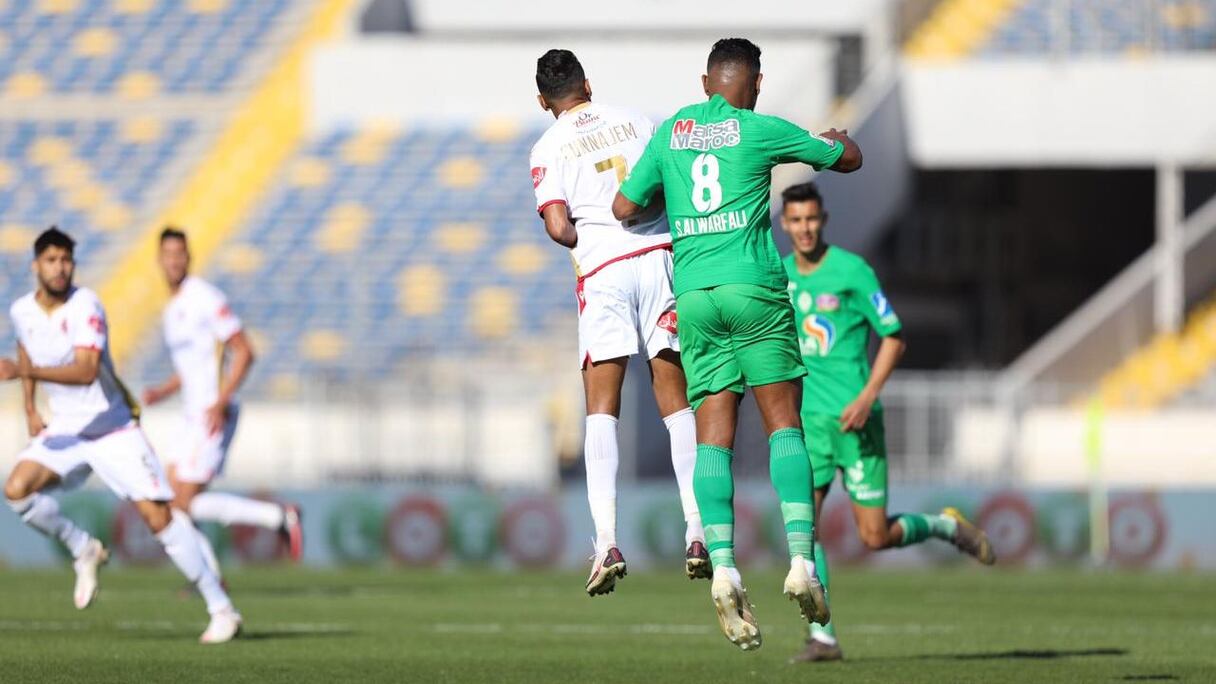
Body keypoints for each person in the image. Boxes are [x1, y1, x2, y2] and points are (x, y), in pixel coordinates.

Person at [612, 37, 862, 651]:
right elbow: (847, 159)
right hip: (754, 288)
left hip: (695, 297)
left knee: (713, 439)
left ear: (705, 83)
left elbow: (623, 205)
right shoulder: (760, 129)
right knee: (783, 426)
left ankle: (723, 566)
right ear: (756, 84)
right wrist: (837, 138)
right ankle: (800, 562)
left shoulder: (671, 132)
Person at [778, 181, 996, 662]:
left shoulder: (852, 271)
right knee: (803, 533)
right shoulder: (779, 275)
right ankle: (823, 637)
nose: (805, 228)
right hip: (807, 425)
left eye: (811, 218)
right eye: (795, 220)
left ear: (823, 220)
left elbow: (894, 337)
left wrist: (867, 395)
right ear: (785, 224)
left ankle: (944, 526)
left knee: (874, 537)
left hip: (857, 423)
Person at [1, 227, 242, 643]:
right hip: (67, 428)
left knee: (159, 517)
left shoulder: (86, 305)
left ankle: (222, 609)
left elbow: (85, 371)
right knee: (17, 490)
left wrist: (24, 371)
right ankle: (83, 548)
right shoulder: (22, 310)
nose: (60, 268)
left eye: (66, 260)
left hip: (111, 427)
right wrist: (29, 408)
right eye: (52, 260)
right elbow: (27, 346)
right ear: (36, 265)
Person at [530, 49, 707, 595]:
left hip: (605, 271)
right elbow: (668, 183)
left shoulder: (548, 145)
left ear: (542, 101)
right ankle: (697, 529)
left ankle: (606, 540)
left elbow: (558, 226)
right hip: (659, 258)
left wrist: (587, 238)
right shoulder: (635, 119)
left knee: (602, 409)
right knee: (675, 398)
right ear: (587, 84)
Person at [142, 227, 303, 577]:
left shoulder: (204, 297)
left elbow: (244, 350)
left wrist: (220, 401)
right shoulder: (172, 310)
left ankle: (276, 518)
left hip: (213, 413)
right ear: (159, 259)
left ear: (189, 257)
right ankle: (212, 576)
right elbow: (190, 368)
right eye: (168, 254)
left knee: (181, 504)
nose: (174, 261)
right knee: (172, 504)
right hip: (191, 414)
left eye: (180, 254)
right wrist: (161, 392)